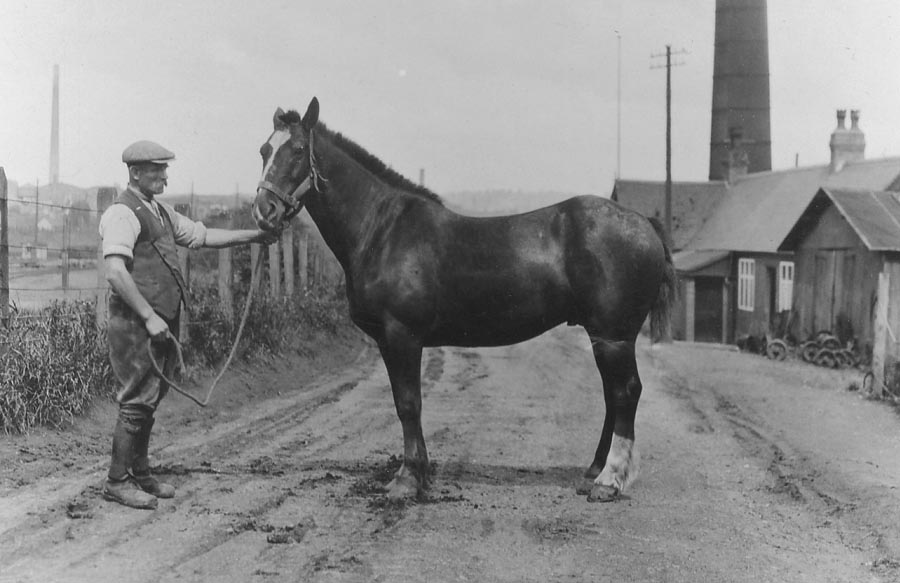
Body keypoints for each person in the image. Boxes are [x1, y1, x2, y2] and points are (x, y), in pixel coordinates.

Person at [98, 140, 275, 509]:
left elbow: (201, 235)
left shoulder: (159, 212)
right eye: (157, 169)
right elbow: (115, 271)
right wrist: (148, 316)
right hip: (134, 324)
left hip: (158, 322)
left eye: (165, 168)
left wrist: (257, 236)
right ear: (135, 173)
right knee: (135, 399)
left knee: (150, 398)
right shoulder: (122, 213)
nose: (165, 175)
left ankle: (141, 472)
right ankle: (116, 481)